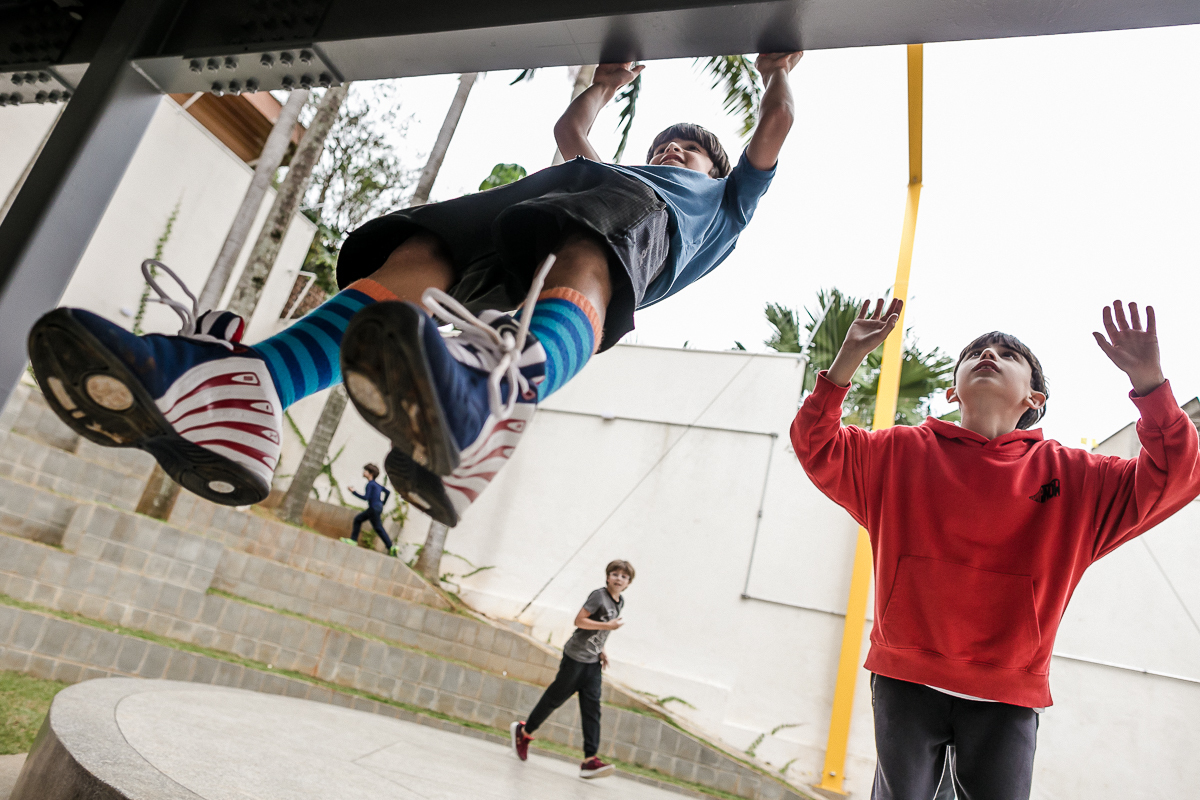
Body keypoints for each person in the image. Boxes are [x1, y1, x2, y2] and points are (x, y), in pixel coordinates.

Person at [25, 54, 802, 526]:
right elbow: (571, 140)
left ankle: (502, 395)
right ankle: (247, 387)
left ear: (713, 170)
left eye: (692, 151)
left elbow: (770, 137)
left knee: (596, 235)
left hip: (626, 238)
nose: (675, 149)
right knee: (427, 247)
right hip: (548, 206)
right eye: (668, 142)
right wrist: (601, 87)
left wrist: (775, 79)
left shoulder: (720, 207)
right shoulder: (612, 169)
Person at [791, 298, 1200, 800]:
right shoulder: (896, 454)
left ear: (1034, 398)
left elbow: (1175, 476)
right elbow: (816, 444)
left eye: (1008, 354)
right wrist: (845, 362)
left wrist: (1150, 383)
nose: (989, 353)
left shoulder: (1077, 477)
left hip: (1007, 688)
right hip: (907, 675)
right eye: (976, 351)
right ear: (951, 389)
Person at [509, 560, 634, 779]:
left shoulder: (619, 601)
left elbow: (601, 630)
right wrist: (607, 627)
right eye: (614, 574)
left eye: (623, 577)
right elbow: (580, 621)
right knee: (555, 698)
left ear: (628, 583)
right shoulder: (599, 596)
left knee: (592, 708)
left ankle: (589, 761)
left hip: (593, 662)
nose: (618, 579)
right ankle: (524, 732)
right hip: (575, 658)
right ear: (607, 577)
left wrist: (602, 649)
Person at [340, 463, 397, 556]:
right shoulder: (377, 485)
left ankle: (353, 541)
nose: (363, 472)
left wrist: (353, 492)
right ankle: (391, 547)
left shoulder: (370, 484)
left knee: (359, 520)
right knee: (377, 527)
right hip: (378, 508)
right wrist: (383, 503)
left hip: (373, 508)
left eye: (365, 471)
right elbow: (388, 492)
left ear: (370, 474)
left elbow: (366, 497)